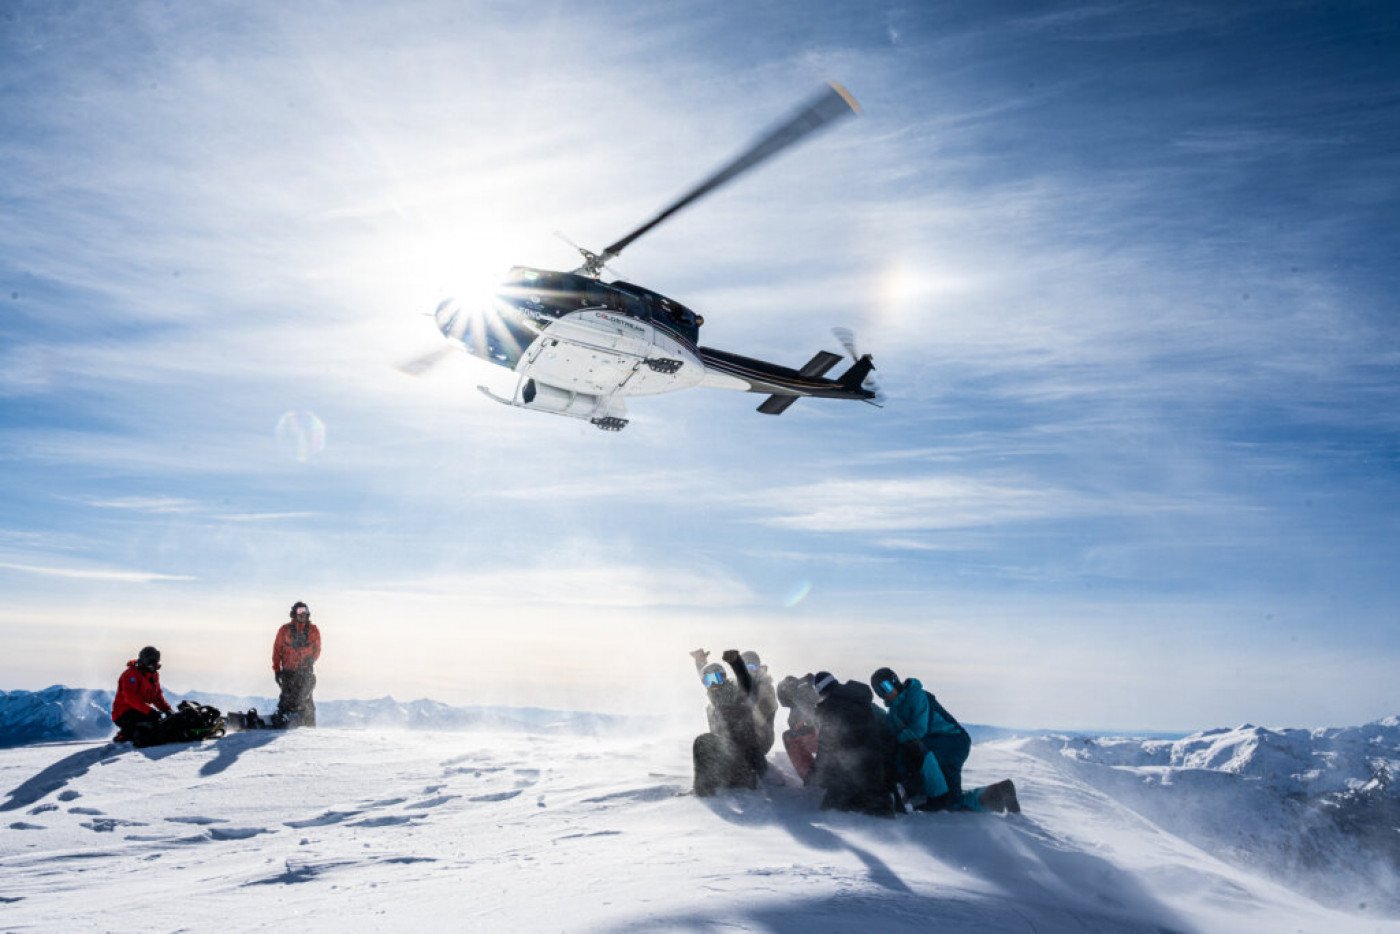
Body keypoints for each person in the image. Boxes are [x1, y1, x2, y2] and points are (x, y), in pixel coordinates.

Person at [871, 667, 1019, 813]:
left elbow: (919, 731)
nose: (885, 694)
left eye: (886, 687)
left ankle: (935, 798)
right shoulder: (893, 712)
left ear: (895, 681)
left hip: (952, 742)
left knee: (917, 751)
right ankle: (1001, 792)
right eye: (879, 691)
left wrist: (898, 739)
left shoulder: (916, 695)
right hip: (935, 745)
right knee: (953, 802)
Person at [809, 671, 899, 815]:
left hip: (852, 772)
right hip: (877, 768)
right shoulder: (860, 699)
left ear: (820, 691)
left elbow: (826, 747)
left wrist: (814, 774)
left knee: (831, 809)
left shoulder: (830, 708)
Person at [690, 648, 767, 796]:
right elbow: (706, 676)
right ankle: (710, 781)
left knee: (703, 741)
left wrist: (736, 663)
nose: (713, 685)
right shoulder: (715, 702)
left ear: (724, 678)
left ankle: (703, 791)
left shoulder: (737, 698)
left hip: (746, 766)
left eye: (717, 679)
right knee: (709, 744)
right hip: (728, 764)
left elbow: (747, 686)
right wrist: (700, 662)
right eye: (709, 681)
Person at [273, 601, 321, 727]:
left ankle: (310, 728)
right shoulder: (284, 630)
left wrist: (312, 659)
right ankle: (282, 722)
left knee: (306, 700)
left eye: (304, 611)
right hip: (288, 671)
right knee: (286, 700)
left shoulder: (313, 630)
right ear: (294, 613)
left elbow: (317, 648)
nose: (302, 614)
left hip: (305, 671)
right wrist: (277, 670)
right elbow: (277, 651)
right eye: (299, 611)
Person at [112, 646, 173, 743]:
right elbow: (131, 698)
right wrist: (149, 711)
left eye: (155, 661)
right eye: (150, 661)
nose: (153, 665)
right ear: (144, 661)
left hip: (139, 710)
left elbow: (157, 697)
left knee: (160, 723)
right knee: (150, 723)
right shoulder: (131, 674)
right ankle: (125, 734)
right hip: (123, 713)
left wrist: (167, 710)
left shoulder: (154, 675)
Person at [775, 672, 821, 782]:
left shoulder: (802, 695)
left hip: (823, 738)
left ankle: (812, 776)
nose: (781, 701)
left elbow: (813, 713)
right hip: (823, 738)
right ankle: (814, 773)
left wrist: (806, 721)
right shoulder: (802, 694)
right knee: (792, 736)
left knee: (789, 737)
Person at [742, 650, 779, 756]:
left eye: (752, 667)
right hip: (741, 735)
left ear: (758, 668)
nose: (748, 672)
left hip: (760, 739)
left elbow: (761, 716)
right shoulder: (740, 685)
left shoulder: (765, 687)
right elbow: (717, 689)